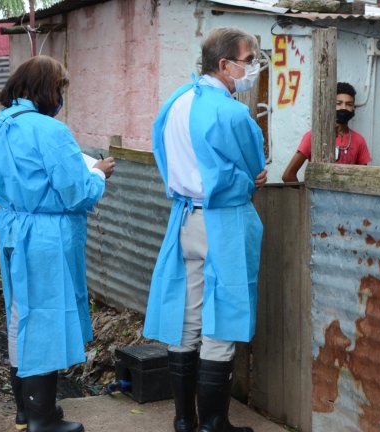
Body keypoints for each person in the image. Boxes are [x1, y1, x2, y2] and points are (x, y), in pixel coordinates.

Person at [0, 55, 114, 432]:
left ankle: (27, 410)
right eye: (59, 89)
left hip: (11, 229)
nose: (60, 98)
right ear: (47, 90)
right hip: (44, 237)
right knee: (45, 319)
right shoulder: (51, 131)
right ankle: (41, 419)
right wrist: (98, 174)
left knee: (20, 315)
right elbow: (76, 193)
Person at [143, 27, 268, 432]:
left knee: (187, 317)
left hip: (183, 218)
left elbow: (162, 154)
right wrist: (248, 179)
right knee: (222, 320)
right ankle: (214, 423)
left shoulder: (175, 102)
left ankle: (185, 420)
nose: (252, 68)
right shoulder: (232, 112)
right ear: (224, 64)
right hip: (223, 220)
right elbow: (255, 165)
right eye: (248, 61)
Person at [281, 82, 370, 182]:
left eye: (349, 104)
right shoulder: (314, 136)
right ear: (330, 105)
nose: (344, 108)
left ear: (354, 108)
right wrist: (308, 192)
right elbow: (288, 175)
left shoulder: (359, 140)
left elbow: (363, 180)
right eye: (338, 103)